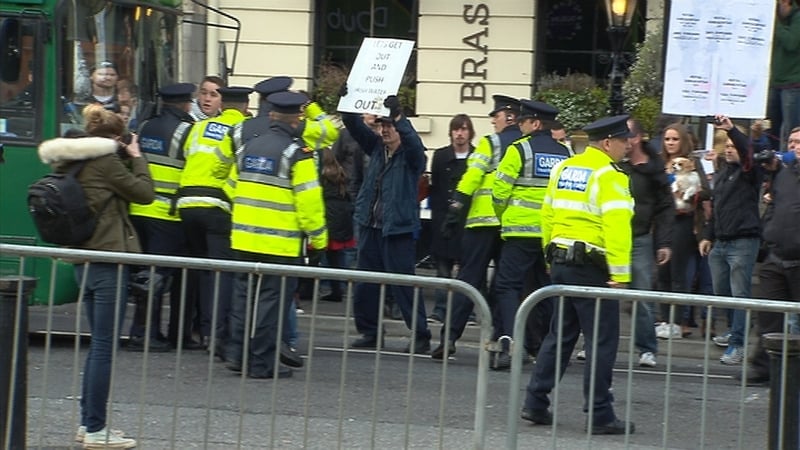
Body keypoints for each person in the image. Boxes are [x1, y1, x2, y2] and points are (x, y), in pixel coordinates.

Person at [37, 104, 154, 448]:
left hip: (84, 260)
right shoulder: (105, 162)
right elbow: (144, 194)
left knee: (97, 346)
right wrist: (137, 155)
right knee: (104, 346)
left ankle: (89, 422)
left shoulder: (74, 160)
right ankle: (94, 429)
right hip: (106, 261)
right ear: (115, 138)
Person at [521, 115, 635, 435]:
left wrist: (548, 256)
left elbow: (547, 213)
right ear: (608, 143)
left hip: (560, 262)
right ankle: (599, 413)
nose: (628, 146)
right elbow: (616, 227)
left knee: (560, 336)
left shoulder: (564, 167)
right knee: (601, 341)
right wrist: (621, 274)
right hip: (592, 269)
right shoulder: (610, 175)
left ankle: (535, 401)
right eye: (624, 141)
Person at [226, 91, 327, 379]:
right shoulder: (298, 153)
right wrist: (318, 240)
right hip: (279, 244)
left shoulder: (248, 147)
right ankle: (261, 364)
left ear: (271, 116)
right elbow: (309, 204)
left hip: (244, 239)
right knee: (270, 307)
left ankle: (237, 356)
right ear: (296, 119)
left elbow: (231, 187)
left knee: (243, 300)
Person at [339, 87, 432, 353]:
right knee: (365, 286)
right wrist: (347, 102)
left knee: (404, 286)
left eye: (390, 126)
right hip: (371, 227)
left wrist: (400, 117)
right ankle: (370, 332)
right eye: (382, 125)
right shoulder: (377, 149)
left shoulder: (412, 156)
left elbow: (414, 143)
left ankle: (420, 335)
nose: (385, 130)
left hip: (397, 229)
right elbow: (353, 126)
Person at [432, 94, 521, 360]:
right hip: (510, 227)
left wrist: (455, 209)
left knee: (469, 281)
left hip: (482, 224)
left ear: (508, 116)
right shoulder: (526, 146)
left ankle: (449, 339)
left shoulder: (490, 143)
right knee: (505, 286)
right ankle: (502, 341)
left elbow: (472, 176)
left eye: (496, 116)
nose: (493, 122)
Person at [490, 100, 570, 369]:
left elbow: (499, 192)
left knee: (507, 286)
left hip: (520, 232)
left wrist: (505, 219)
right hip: (551, 235)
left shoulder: (519, 149)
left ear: (535, 124)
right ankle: (548, 348)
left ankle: (514, 343)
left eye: (523, 121)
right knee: (544, 290)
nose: (520, 125)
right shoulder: (565, 154)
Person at [126, 83, 202, 352]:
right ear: (185, 103)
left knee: (146, 275)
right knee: (156, 278)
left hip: (139, 210)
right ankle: (145, 334)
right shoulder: (188, 132)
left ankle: (144, 330)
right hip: (167, 214)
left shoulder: (145, 126)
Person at [177, 86, 252, 356]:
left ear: (223, 104)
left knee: (201, 271)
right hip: (218, 205)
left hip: (186, 203)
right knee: (223, 275)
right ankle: (218, 337)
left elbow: (187, 155)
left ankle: (200, 329)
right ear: (245, 106)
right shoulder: (245, 128)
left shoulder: (200, 127)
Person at [699, 116, 765, 365]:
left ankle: (737, 344)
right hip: (722, 242)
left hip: (743, 242)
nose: (728, 149)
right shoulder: (723, 174)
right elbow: (717, 209)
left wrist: (733, 130)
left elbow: (748, 156)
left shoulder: (751, 173)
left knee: (739, 294)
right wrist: (708, 235)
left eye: (732, 145)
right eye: (724, 145)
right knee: (723, 293)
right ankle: (733, 332)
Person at [738, 126, 800, 384]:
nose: (795, 147)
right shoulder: (784, 176)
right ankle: (763, 367)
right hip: (776, 257)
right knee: (767, 315)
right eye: (792, 142)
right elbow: (774, 205)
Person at [620, 118, 674, 367]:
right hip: (611, 238)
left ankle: (647, 348)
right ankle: (593, 343)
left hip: (640, 238)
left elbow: (665, 208)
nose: (623, 140)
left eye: (628, 135)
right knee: (603, 295)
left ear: (639, 137)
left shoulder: (654, 169)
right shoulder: (614, 164)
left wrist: (663, 242)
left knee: (642, 296)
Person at [656, 123, 711, 336]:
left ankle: (677, 322)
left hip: (683, 221)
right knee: (662, 272)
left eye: (675, 139)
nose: (670, 143)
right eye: (667, 139)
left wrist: (691, 196)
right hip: (661, 222)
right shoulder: (659, 162)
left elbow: (707, 191)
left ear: (683, 141)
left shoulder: (693, 162)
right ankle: (663, 319)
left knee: (677, 272)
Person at [427, 113, 475, 323]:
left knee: (468, 269)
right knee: (442, 268)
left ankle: (467, 310)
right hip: (443, 220)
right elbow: (435, 186)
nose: (459, 134)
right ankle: (440, 309)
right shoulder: (440, 156)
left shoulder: (477, 157)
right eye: (456, 129)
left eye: (464, 129)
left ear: (470, 133)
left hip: (467, 221)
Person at [766, 0, 800, 150]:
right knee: (770, 128)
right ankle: (770, 163)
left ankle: (787, 164)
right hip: (774, 82)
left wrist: (774, 24)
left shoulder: (798, 18)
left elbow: (791, 43)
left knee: (789, 130)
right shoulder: (780, 21)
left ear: (786, 2)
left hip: (792, 83)